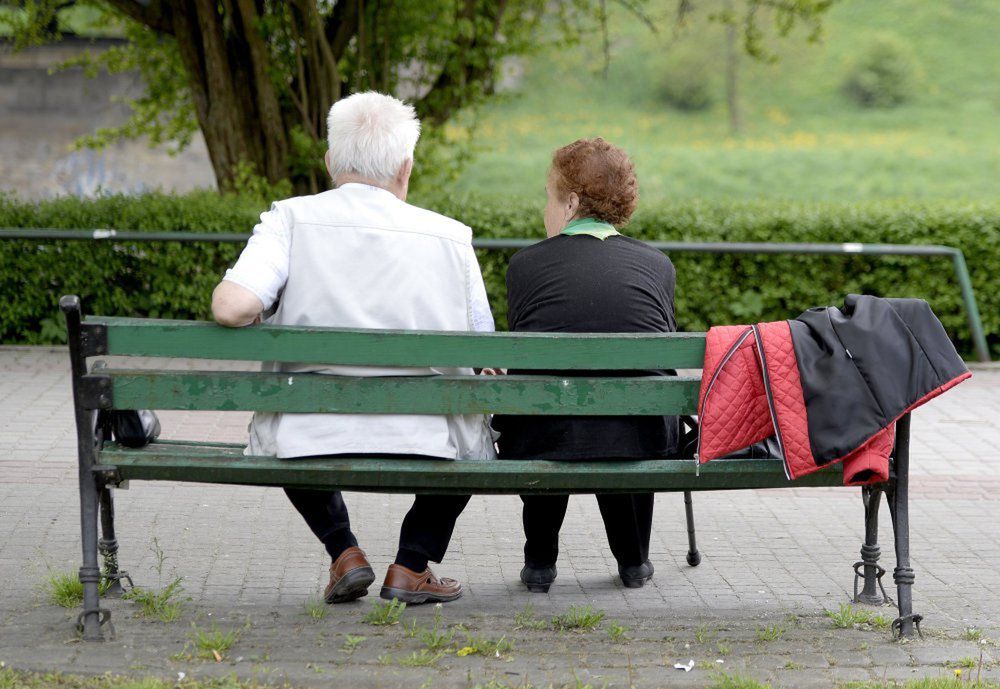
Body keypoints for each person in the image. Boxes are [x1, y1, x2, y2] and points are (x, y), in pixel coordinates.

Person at [211, 92, 496, 605]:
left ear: (329, 163)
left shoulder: (290, 220)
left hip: (308, 431)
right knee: (475, 429)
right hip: (428, 435)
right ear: (405, 167)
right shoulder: (452, 237)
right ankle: (411, 565)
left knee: (285, 415)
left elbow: (232, 307)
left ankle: (344, 552)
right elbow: (486, 349)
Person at [492, 137, 678, 592]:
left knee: (553, 413)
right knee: (622, 418)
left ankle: (539, 562)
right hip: (638, 437)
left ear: (572, 202)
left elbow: (527, 365)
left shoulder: (525, 265)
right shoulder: (657, 265)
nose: (546, 210)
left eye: (549, 197)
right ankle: (634, 559)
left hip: (542, 433)